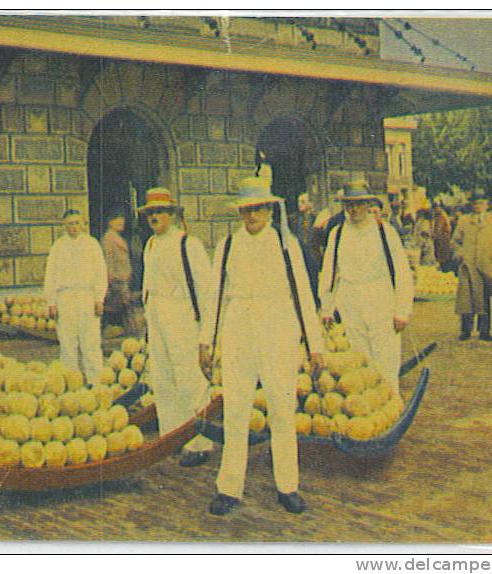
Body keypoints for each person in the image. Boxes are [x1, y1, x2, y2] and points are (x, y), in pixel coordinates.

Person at [199, 171, 323, 516]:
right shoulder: (226, 247)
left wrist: (315, 345)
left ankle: (287, 486)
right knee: (236, 409)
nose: (252, 216)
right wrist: (205, 341)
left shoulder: (286, 246)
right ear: (239, 213)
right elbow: (215, 298)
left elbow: (303, 295)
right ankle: (229, 488)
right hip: (239, 330)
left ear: (270, 210)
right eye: (246, 210)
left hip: (277, 330)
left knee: (282, 409)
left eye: (258, 209)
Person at [138, 187, 214, 467]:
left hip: (182, 314)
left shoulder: (187, 244)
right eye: (150, 213)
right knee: (163, 377)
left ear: (171, 214)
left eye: (159, 212)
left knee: (188, 377)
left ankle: (199, 443)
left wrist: (206, 331)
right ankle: (171, 437)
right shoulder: (150, 245)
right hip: (157, 314)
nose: (154, 217)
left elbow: (205, 289)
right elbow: (147, 285)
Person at [319, 179, 414, 399]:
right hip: (350, 300)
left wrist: (402, 310)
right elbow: (330, 272)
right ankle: (368, 408)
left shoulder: (384, 232)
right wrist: (327, 307)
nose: (354, 209)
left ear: (368, 204)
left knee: (386, 358)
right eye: (349, 204)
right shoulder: (338, 233)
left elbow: (401, 272)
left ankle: (391, 404)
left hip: (380, 299)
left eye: (359, 204)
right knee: (359, 359)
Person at [44, 209, 108, 386]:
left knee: (91, 342)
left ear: (83, 224)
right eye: (70, 224)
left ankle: (95, 382)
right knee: (68, 343)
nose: (73, 227)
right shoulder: (58, 247)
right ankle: (72, 384)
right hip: (65, 298)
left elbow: (100, 273)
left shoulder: (92, 244)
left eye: (76, 223)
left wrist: (99, 299)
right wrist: (51, 302)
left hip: (87, 297)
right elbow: (51, 275)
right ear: (64, 226)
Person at [451, 190, 492, 342]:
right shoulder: (464, 220)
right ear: (471, 205)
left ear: (487, 205)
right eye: (475, 203)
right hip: (468, 265)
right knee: (466, 298)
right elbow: (455, 241)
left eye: (481, 203)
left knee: (485, 298)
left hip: (486, 264)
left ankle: (485, 331)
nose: (478, 206)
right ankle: (465, 330)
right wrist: (460, 253)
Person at [100, 212, 134, 335]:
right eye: (118, 222)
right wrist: (110, 276)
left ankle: (124, 330)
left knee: (122, 305)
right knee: (119, 305)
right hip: (116, 278)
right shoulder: (109, 238)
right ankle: (118, 330)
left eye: (122, 222)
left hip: (122, 276)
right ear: (110, 222)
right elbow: (108, 259)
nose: (122, 224)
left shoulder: (117, 237)